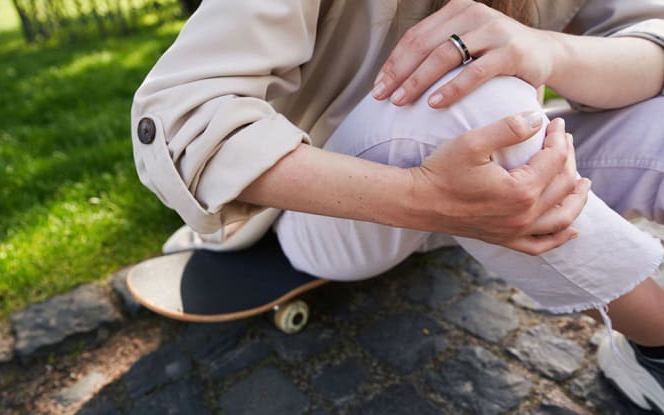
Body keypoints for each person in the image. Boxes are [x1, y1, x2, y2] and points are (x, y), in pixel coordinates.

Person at [131, 0, 664, 410]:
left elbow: (652, 39)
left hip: (488, 174)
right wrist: (422, 199)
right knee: (471, 96)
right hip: (330, 207)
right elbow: (178, 118)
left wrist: (546, 48)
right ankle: (657, 345)